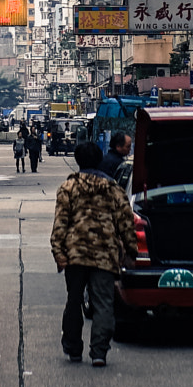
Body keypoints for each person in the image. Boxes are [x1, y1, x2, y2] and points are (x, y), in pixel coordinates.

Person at [50, 142, 138, 368]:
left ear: (78, 161)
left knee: (74, 301)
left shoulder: (68, 187)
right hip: (105, 255)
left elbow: (60, 224)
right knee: (104, 304)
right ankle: (99, 352)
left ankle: (73, 347)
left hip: (75, 255)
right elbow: (126, 223)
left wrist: (58, 252)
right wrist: (130, 250)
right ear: (99, 159)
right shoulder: (113, 189)